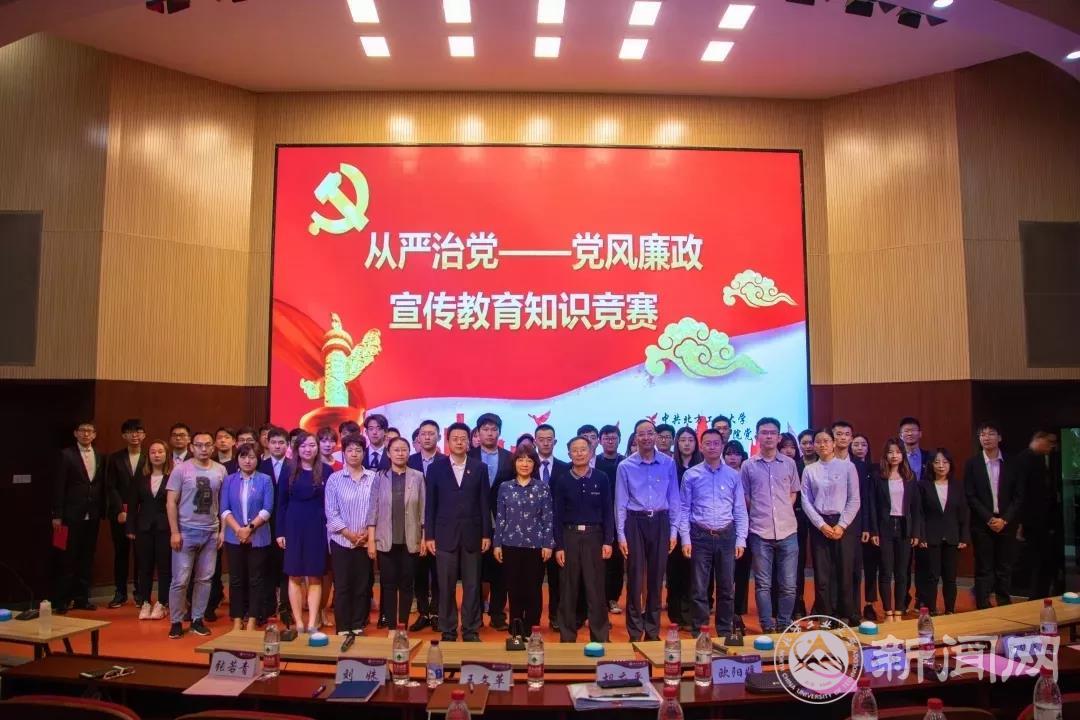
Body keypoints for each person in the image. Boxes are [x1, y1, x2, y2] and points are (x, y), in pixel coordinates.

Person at [615, 419, 679, 642]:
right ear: (635, 438)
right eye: (641, 434)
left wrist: (674, 531)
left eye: (650, 433)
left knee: (656, 577)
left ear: (656, 436)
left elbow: (674, 498)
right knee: (634, 577)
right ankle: (634, 631)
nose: (646, 437)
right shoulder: (625, 466)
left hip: (661, 522)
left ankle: (652, 630)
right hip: (635, 522)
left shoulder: (668, 463)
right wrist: (621, 535)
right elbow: (620, 502)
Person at [427, 421, 491, 642]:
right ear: (447, 442)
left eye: (463, 438)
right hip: (444, 535)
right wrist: (429, 536)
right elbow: (430, 505)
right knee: (446, 585)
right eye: (455, 438)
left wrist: (486, 534)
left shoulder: (479, 468)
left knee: (472, 585)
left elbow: (484, 503)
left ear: (469, 442)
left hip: (473, 535)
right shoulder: (436, 468)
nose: (459, 442)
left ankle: (471, 628)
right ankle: (448, 628)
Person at [680, 428, 748, 636]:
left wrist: (741, 539)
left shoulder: (733, 475)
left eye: (716, 443)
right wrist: (685, 539)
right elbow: (684, 509)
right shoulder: (691, 475)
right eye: (707, 443)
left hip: (727, 536)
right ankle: (700, 632)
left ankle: (725, 630)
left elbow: (740, 509)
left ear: (722, 446)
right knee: (699, 589)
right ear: (701, 447)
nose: (712, 447)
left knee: (727, 588)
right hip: (699, 536)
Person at [741, 418, 801, 633]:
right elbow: (745, 496)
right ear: (757, 436)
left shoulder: (789, 463)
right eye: (764, 432)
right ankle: (767, 625)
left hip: (788, 531)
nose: (768, 436)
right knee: (763, 584)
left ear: (778, 437)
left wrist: (783, 510)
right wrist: (761, 511)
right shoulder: (748, 465)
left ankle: (784, 623)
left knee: (789, 585)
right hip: (760, 531)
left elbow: (793, 492)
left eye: (772, 433)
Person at [166, 431, 226, 639]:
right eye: (199, 445)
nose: (204, 449)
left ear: (213, 447)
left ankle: (197, 619)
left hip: (211, 531)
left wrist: (222, 531)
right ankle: (176, 621)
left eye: (208, 445)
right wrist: (174, 531)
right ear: (191, 447)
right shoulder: (181, 470)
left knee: (205, 578)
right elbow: (171, 502)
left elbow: (223, 503)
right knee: (180, 579)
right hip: (186, 531)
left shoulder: (220, 470)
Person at [553, 436, 613, 643]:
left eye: (583, 449)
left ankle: (600, 636)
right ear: (569, 454)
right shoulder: (563, 480)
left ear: (590, 452)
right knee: (568, 589)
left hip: (594, 537)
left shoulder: (601, 478)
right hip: (569, 536)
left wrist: (608, 541)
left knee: (596, 589)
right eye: (575, 450)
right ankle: (567, 637)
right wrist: (559, 546)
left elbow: (608, 511)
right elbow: (557, 515)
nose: (579, 453)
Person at [366, 436, 426, 630]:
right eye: (396, 450)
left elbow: (423, 509)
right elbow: (372, 510)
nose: (400, 453)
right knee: (388, 584)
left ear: (409, 452)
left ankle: (402, 626)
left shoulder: (418, 476)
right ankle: (392, 627)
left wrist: (424, 537)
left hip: (411, 538)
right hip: (385, 540)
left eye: (404, 450)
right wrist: (371, 539)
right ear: (389, 453)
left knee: (407, 584)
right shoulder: (379, 477)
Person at [801, 429, 860, 625]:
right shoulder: (809, 470)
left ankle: (846, 614)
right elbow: (806, 501)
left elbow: (854, 499)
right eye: (818, 441)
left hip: (843, 524)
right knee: (822, 574)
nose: (822, 445)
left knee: (844, 571)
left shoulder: (848, 467)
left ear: (834, 443)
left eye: (826, 441)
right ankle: (826, 615)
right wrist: (821, 525)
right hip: (820, 525)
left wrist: (841, 525)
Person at [493, 445, 554, 634]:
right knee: (514, 588)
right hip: (510, 544)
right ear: (514, 463)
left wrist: (548, 544)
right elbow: (500, 518)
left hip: (535, 546)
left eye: (529, 460)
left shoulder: (542, 487)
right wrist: (497, 544)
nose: (525, 464)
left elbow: (547, 518)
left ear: (534, 464)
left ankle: (532, 628)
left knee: (533, 589)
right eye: (520, 460)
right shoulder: (505, 487)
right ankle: (516, 628)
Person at [277, 431, 333, 632]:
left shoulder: (326, 470)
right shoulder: (288, 470)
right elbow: (281, 503)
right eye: (303, 446)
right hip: (293, 525)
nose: (308, 449)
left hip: (317, 526)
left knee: (315, 575)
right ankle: (299, 622)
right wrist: (280, 532)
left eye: (311, 445)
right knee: (294, 575)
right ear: (296, 449)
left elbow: (330, 502)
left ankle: (312, 622)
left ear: (317, 447)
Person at [965, 421, 1023, 609]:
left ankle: (1004, 602)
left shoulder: (1013, 463)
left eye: (991, 434)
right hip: (982, 524)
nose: (986, 438)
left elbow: (1018, 496)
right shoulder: (972, 464)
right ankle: (982, 604)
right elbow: (970, 495)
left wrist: (1004, 519)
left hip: (1007, 522)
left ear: (999, 437)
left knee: (1004, 567)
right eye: (983, 434)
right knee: (984, 567)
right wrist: (989, 519)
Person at [52, 421, 106, 613]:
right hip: (68, 516)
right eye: (82, 430)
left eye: (90, 431)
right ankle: (61, 601)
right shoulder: (66, 455)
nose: (86, 434)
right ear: (75, 433)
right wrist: (57, 514)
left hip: (92, 515)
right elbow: (59, 485)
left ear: (94, 434)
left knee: (87, 557)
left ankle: (82, 598)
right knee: (66, 558)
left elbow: (99, 485)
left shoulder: (100, 455)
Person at [220, 442, 274, 631]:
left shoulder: (265, 480)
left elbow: (267, 509)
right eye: (243, 457)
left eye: (251, 457)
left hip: (258, 536)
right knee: (236, 579)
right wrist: (239, 530)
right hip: (234, 537)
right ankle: (237, 618)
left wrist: (249, 529)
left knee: (256, 579)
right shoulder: (229, 480)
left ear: (257, 459)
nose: (247, 461)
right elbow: (224, 509)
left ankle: (252, 618)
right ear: (238, 459)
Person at [469, 412, 513, 632]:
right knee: (474, 571)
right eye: (485, 429)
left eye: (493, 429)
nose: (489, 433)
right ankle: (475, 614)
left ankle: (497, 614)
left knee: (500, 571)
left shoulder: (509, 458)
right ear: (478, 433)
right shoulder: (468, 456)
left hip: (503, 522)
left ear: (499, 432)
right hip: (473, 522)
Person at [870, 439, 921, 621]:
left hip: (904, 528)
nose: (894, 456)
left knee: (902, 572)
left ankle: (899, 610)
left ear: (903, 455)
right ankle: (888, 612)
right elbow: (872, 506)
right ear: (885, 455)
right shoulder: (878, 477)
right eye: (890, 452)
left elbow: (916, 507)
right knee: (885, 571)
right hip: (884, 528)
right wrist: (874, 531)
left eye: (898, 452)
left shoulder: (910, 477)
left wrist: (916, 532)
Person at [916, 449, 968, 614]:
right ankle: (931, 610)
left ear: (950, 464)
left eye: (945, 462)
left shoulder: (957, 486)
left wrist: (964, 537)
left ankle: (950, 610)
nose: (941, 466)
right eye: (937, 462)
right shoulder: (923, 485)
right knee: (932, 576)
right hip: (931, 537)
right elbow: (919, 513)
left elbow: (964, 513)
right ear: (931, 465)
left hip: (952, 536)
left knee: (950, 577)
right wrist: (921, 536)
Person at [128, 440, 172, 620]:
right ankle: (145, 601)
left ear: (166, 455)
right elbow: (132, 505)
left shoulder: (172, 477)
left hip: (166, 528)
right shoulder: (141, 477)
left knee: (164, 567)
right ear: (149, 456)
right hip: (143, 528)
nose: (157, 455)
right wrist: (130, 527)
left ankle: (162, 602)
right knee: (144, 567)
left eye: (160, 452)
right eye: (153, 452)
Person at [105, 418, 146, 608]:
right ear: (124, 436)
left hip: (142, 513)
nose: (135, 435)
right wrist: (120, 510)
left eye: (138, 431)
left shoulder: (149, 456)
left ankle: (140, 593)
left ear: (144, 435)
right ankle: (120, 593)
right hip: (120, 514)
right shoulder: (114, 458)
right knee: (121, 554)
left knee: (141, 555)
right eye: (130, 432)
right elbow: (110, 487)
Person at [1015, 431, 1061, 599]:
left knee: (1045, 559)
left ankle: (1042, 593)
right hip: (1030, 520)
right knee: (1031, 560)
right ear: (1038, 439)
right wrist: (1020, 523)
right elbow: (1020, 492)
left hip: (1044, 520)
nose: (1051, 446)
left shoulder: (1043, 458)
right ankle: (1032, 594)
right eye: (1049, 442)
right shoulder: (1024, 459)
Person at [534, 423, 570, 630]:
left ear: (555, 442)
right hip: (531, 532)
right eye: (542, 439)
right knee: (533, 579)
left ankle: (556, 617)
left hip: (558, 531)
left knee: (557, 579)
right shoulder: (526, 465)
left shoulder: (566, 468)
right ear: (535, 441)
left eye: (549, 439)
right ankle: (534, 619)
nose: (546, 443)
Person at [407, 419, 442, 632]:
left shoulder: (446, 461)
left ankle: (436, 612)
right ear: (418, 438)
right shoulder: (409, 461)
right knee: (418, 572)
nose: (427, 437)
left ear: (439, 436)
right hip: (414, 525)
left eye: (431, 433)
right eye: (423, 434)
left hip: (440, 524)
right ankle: (423, 612)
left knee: (438, 572)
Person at [258, 426, 292, 624]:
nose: (277, 446)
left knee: (286, 568)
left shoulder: (294, 466)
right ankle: (267, 607)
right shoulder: (259, 466)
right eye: (273, 442)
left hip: (287, 523)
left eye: (281, 443)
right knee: (265, 566)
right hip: (263, 524)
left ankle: (286, 607)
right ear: (267, 444)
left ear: (287, 445)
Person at [668, 427, 701, 630]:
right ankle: (675, 615)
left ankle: (689, 615)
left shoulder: (702, 466)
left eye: (690, 440)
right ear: (677, 443)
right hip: (673, 525)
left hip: (696, 525)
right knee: (674, 571)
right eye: (682, 440)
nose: (687, 443)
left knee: (693, 573)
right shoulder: (670, 466)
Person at [595, 424, 625, 616]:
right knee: (598, 561)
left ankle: (613, 598)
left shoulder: (625, 462)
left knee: (616, 561)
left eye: (613, 438)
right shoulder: (594, 462)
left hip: (620, 518)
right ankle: (598, 599)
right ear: (600, 441)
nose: (610, 441)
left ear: (619, 440)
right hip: (598, 517)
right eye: (606, 438)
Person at [778, 432, 809, 618]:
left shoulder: (799, 467)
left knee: (797, 564)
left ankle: (798, 601)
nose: (788, 451)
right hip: (775, 519)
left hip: (799, 519)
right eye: (784, 447)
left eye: (792, 447)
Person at [849, 431, 879, 622]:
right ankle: (853, 606)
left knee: (871, 566)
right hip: (853, 524)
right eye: (856, 444)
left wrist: (869, 527)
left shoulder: (875, 469)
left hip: (872, 524)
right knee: (853, 568)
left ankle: (869, 604)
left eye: (863, 445)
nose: (860, 448)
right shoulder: (849, 467)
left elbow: (870, 500)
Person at [724, 439, 751, 616]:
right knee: (726, 571)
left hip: (746, 525)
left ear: (742, 457)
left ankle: (739, 608)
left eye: (736, 454)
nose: (733, 457)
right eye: (729, 454)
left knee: (742, 568)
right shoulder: (720, 473)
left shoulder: (746, 474)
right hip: (724, 526)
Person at [899, 417, 930, 481]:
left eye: (913, 430)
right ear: (900, 436)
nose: (910, 434)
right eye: (906, 431)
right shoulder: (897, 457)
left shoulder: (929, 456)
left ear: (920, 434)